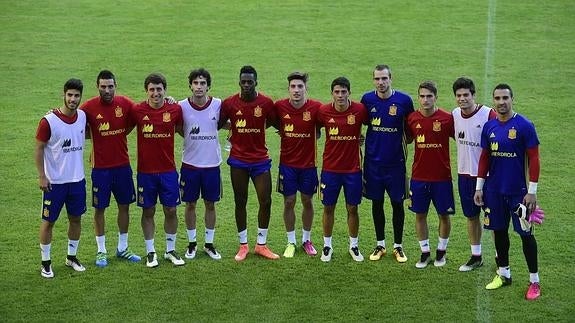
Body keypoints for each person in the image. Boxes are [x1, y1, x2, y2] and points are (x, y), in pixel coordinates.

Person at [473, 83, 542, 300]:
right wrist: (479, 188)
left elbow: (534, 159)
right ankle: (504, 274)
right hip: (494, 192)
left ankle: (534, 281)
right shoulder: (490, 127)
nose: (501, 102)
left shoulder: (524, 126)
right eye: (498, 98)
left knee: (526, 236)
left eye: (505, 98)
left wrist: (532, 191)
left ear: (512, 99)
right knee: (499, 232)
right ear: (493, 101)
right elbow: (485, 158)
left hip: (519, 194)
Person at [219, 65, 279, 261]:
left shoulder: (266, 103)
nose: (246, 85)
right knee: (240, 201)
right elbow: (218, 123)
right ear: (239, 82)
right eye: (243, 82)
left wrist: (258, 126)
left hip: (260, 160)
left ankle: (261, 244)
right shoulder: (229, 104)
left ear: (256, 83)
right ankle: (243, 245)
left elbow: (276, 122)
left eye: (250, 82)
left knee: (266, 200)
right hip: (238, 160)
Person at [81, 70, 140, 267]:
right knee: (100, 209)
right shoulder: (88, 107)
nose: (107, 90)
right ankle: (101, 251)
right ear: (97, 86)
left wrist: (169, 101)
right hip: (101, 169)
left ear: (116, 86)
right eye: (103, 86)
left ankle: (122, 248)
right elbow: (73, 122)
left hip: (123, 166)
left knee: (125, 206)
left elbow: (143, 113)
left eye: (110, 86)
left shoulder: (125, 103)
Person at [129, 73, 184, 268]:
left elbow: (183, 130)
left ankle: (170, 250)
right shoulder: (137, 111)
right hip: (146, 172)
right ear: (146, 91)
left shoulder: (175, 109)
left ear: (165, 90)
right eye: (151, 89)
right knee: (148, 210)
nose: (155, 93)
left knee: (171, 209)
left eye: (159, 89)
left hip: (168, 170)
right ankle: (150, 252)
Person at [361, 64, 414, 263]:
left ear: (391, 78)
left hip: (396, 163)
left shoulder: (404, 101)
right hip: (373, 163)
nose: (381, 83)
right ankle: (380, 244)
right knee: (377, 203)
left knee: (397, 203)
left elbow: (410, 131)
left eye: (384, 78)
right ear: (373, 80)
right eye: (377, 79)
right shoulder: (367, 100)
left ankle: (398, 246)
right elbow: (361, 122)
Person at [36, 78, 87, 278]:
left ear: (81, 97)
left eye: (76, 96)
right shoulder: (48, 121)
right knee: (49, 222)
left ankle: (71, 257)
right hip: (54, 183)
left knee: (75, 219)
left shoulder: (83, 116)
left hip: (77, 181)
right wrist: (42, 176)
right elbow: (39, 148)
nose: (73, 99)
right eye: (70, 95)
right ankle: (46, 262)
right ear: (63, 95)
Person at [317, 76, 368, 262]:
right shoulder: (323, 111)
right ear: (332, 94)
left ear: (349, 93)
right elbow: (313, 128)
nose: (340, 95)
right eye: (337, 92)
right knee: (328, 207)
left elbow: (373, 124)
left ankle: (353, 246)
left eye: (343, 92)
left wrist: (361, 137)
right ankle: (327, 246)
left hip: (353, 170)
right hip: (330, 170)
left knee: (352, 208)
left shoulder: (359, 110)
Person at [406, 81, 455, 269]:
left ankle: (441, 252)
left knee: (444, 215)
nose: (425, 100)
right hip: (418, 177)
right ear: (418, 97)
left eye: (429, 96)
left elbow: (460, 137)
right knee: (420, 214)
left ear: (436, 97)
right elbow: (408, 138)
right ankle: (425, 252)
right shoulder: (412, 119)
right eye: (422, 96)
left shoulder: (447, 119)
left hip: (442, 177)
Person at [274, 71, 322, 258]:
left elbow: (332, 123)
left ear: (305, 89)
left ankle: (306, 239)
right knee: (289, 201)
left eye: (300, 86)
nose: (296, 90)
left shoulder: (316, 108)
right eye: (293, 87)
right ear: (288, 89)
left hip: (309, 165)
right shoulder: (279, 106)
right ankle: (291, 241)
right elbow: (268, 120)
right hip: (287, 165)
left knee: (307, 200)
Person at [451, 77, 496, 272]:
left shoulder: (488, 115)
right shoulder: (454, 115)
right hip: (464, 175)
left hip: (488, 177)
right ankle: (476, 256)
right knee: (471, 217)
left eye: (466, 95)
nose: (462, 99)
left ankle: (499, 257)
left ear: (473, 95)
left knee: (493, 218)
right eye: (459, 95)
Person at [178, 68, 222, 260]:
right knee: (190, 204)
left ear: (208, 86)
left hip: (212, 165)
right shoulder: (180, 106)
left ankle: (209, 244)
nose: (199, 87)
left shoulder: (218, 105)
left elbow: (231, 121)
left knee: (210, 204)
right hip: (190, 165)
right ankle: (192, 243)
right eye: (195, 83)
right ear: (190, 86)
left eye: (203, 83)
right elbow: (179, 127)